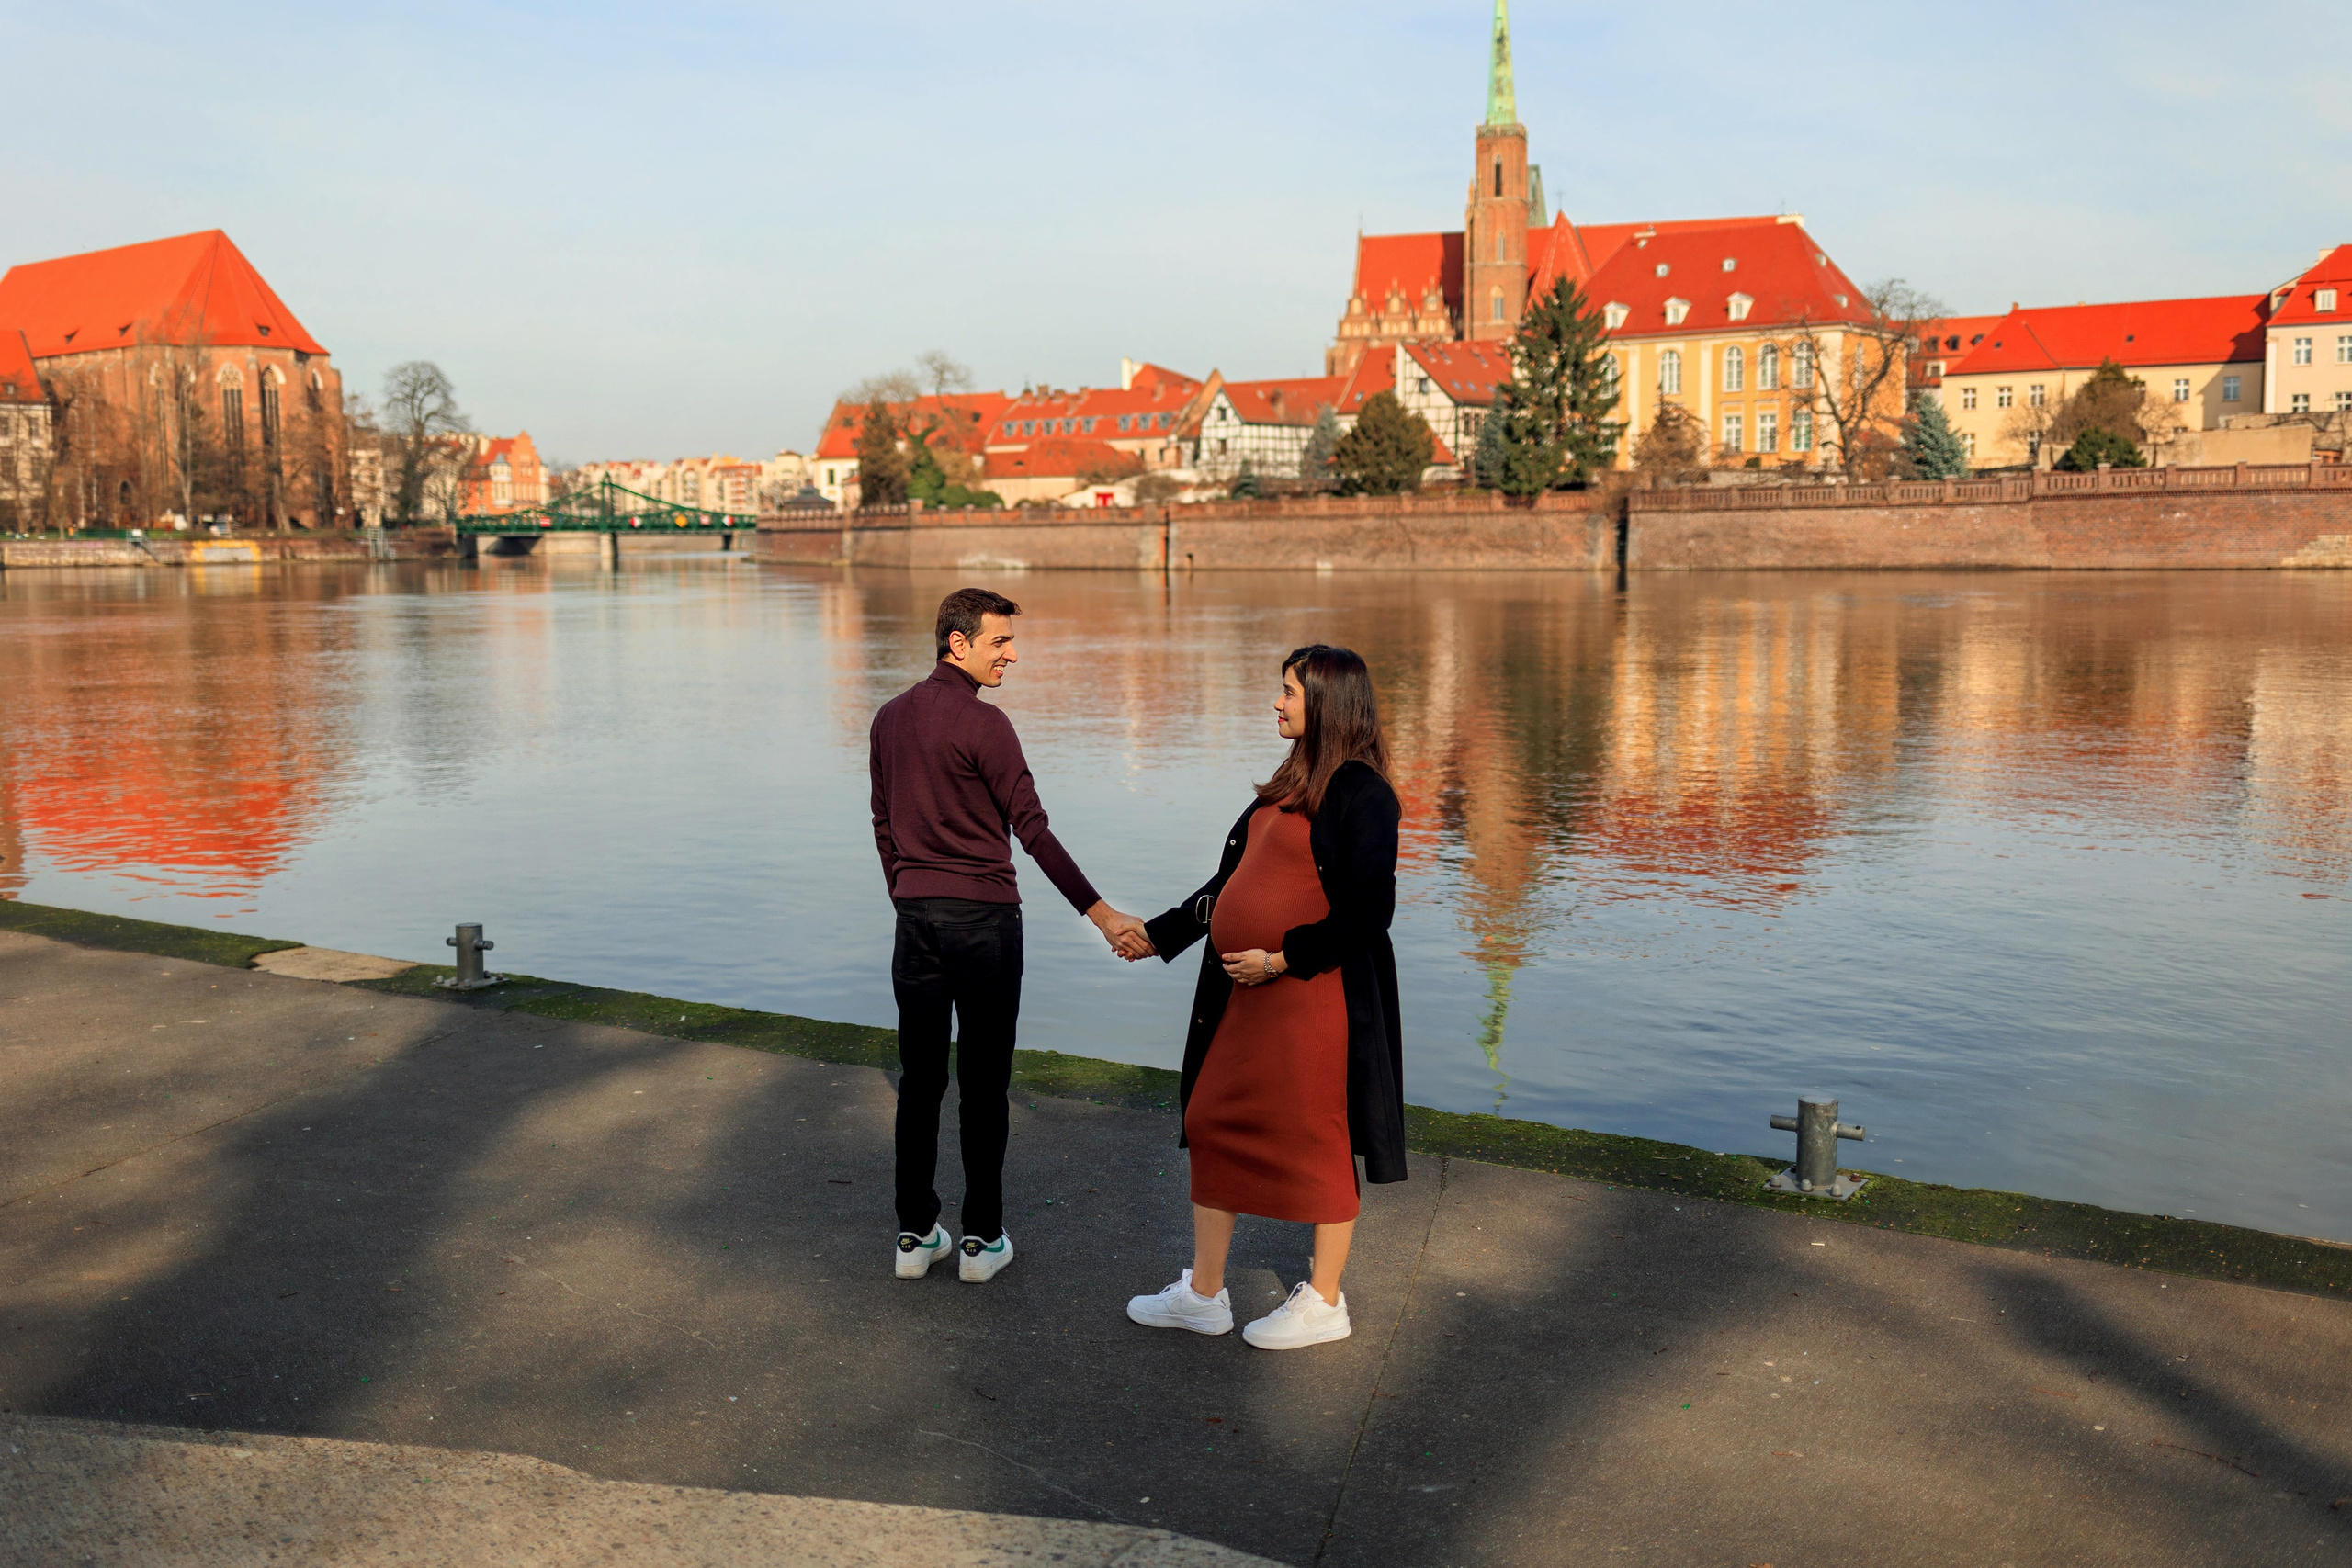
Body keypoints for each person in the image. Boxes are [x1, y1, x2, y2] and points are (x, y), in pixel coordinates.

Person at [1125, 645, 1406, 1349]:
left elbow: (1370, 913)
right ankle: (1204, 1294)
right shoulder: (1284, 784)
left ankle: (1325, 1302)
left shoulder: (1366, 795)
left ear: (1327, 703)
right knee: (1211, 1115)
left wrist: (1283, 958)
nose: (1276, 704)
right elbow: (1226, 886)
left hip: (1311, 995)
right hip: (1243, 994)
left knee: (1318, 1134)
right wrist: (1156, 937)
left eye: (1288, 692)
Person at [870, 587, 1151, 1284]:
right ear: (957, 643)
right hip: (985, 925)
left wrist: (906, 893)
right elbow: (1033, 830)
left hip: (915, 921)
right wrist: (1102, 913)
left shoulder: (888, 719)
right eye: (1000, 641)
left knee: (921, 1079)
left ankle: (913, 1234)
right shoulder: (986, 726)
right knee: (984, 1084)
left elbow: (883, 823)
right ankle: (981, 1239)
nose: (1013, 654)